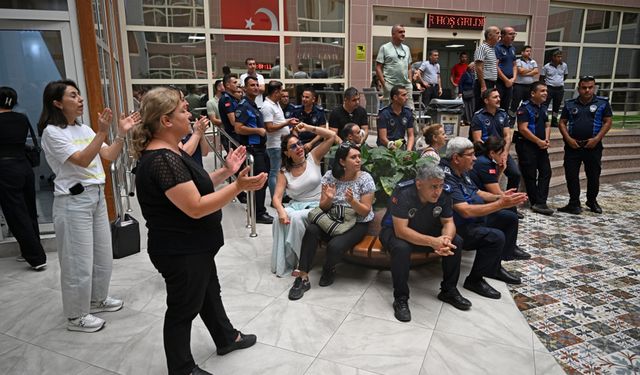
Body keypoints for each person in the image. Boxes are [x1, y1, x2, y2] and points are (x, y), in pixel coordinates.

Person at [132, 87, 265, 375]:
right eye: (183, 110)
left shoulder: (170, 152)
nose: (189, 115)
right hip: (180, 250)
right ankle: (181, 368)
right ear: (166, 121)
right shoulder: (162, 160)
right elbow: (195, 206)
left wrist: (227, 171)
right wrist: (237, 187)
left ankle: (226, 337)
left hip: (193, 247)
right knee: (183, 309)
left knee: (208, 292)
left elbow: (195, 185)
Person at [39, 79, 139, 332]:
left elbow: (108, 155)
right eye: (73, 95)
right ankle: (76, 315)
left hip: (95, 197)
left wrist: (120, 133)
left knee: (102, 255)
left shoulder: (83, 129)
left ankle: (97, 300)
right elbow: (83, 160)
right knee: (77, 261)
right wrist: (102, 132)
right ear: (57, 102)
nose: (80, 99)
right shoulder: (52, 132)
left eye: (79, 94)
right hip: (72, 201)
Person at [380, 164, 471, 322]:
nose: (438, 191)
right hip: (394, 232)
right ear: (419, 184)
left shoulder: (444, 194)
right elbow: (401, 231)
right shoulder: (403, 193)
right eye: (433, 187)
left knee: (456, 241)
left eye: (441, 186)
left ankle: (448, 290)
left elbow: (448, 222)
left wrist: (445, 240)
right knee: (402, 248)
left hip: (425, 229)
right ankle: (401, 299)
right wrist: (432, 242)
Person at [440, 137, 526, 299]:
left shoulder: (462, 171)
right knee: (496, 237)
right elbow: (464, 211)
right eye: (471, 155)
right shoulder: (446, 176)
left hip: (474, 218)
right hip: (458, 226)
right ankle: (474, 280)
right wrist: (500, 204)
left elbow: (477, 192)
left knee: (508, 218)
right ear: (456, 158)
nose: (474, 158)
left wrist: (499, 197)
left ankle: (494, 267)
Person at [288, 143, 375, 300]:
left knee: (335, 246)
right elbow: (323, 206)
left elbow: (366, 211)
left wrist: (353, 201)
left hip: (357, 222)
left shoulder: (365, 178)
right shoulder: (329, 176)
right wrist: (328, 199)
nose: (358, 160)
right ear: (342, 162)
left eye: (359, 157)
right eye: (353, 157)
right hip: (333, 217)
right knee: (312, 230)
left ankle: (329, 269)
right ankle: (302, 277)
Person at [271, 122, 336, 277]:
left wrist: (308, 128)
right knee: (279, 218)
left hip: (318, 205)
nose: (299, 148)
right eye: (293, 147)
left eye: (299, 143)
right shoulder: (284, 171)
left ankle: (303, 262)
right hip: (296, 205)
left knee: (296, 218)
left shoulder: (313, 158)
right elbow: (277, 197)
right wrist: (280, 211)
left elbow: (332, 136)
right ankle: (287, 261)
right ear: (287, 153)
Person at [0, 86, 47, 270]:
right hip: (24, 166)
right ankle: (32, 248)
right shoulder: (21, 118)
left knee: (16, 213)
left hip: (5, 170)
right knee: (29, 210)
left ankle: (36, 257)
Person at [469, 136, 531, 260]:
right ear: (492, 153)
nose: (504, 155)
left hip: (481, 197)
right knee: (510, 211)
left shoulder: (486, 161)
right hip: (477, 203)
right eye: (501, 152)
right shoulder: (485, 164)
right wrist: (506, 197)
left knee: (510, 207)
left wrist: (501, 170)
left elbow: (492, 185)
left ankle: (510, 247)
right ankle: (509, 249)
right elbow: (495, 191)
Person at [557, 76, 612, 214]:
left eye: (590, 87)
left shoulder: (602, 103)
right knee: (571, 175)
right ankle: (574, 203)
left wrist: (597, 139)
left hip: (593, 146)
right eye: (584, 87)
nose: (587, 90)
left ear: (594, 88)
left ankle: (592, 201)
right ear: (579, 88)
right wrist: (568, 139)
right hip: (573, 146)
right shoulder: (570, 104)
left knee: (593, 175)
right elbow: (562, 122)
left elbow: (608, 121)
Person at [234, 76, 273, 224]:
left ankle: (257, 209)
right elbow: (238, 128)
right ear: (245, 88)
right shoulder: (243, 106)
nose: (256, 87)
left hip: (261, 149)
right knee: (259, 181)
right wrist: (258, 131)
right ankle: (258, 214)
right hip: (254, 150)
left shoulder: (253, 105)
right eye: (252, 85)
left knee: (263, 180)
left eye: (257, 85)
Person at [470, 88, 522, 192]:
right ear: (486, 100)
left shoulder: (503, 114)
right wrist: (492, 155)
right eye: (495, 97)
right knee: (489, 177)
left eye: (499, 96)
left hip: (501, 151)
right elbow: (477, 140)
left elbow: (507, 135)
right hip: (485, 153)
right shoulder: (478, 116)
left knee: (515, 174)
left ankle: (510, 203)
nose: (498, 99)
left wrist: (504, 153)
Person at [515, 82, 554, 215]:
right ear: (533, 93)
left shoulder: (543, 107)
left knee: (546, 172)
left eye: (546, 91)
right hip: (528, 146)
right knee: (530, 175)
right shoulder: (525, 108)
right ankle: (536, 202)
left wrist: (546, 140)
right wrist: (538, 141)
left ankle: (541, 201)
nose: (545, 93)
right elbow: (523, 129)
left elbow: (547, 125)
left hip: (541, 146)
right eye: (542, 91)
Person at [261, 80, 298, 199]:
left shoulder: (275, 103)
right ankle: (275, 198)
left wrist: (288, 124)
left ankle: (282, 194)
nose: (282, 94)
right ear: (276, 92)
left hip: (281, 143)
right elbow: (269, 127)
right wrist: (286, 122)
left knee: (281, 171)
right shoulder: (267, 106)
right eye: (281, 91)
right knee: (274, 172)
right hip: (274, 145)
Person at [375, 24, 413, 107]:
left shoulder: (407, 48)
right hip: (390, 84)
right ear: (393, 34)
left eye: (404, 32)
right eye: (400, 32)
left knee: (410, 110)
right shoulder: (385, 48)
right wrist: (385, 84)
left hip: (405, 85)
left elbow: (409, 67)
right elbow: (378, 68)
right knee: (388, 109)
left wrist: (410, 81)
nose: (403, 34)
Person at [376, 85, 415, 151]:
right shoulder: (384, 114)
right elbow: (383, 138)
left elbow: (411, 135)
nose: (406, 98)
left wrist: (408, 151)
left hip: (401, 146)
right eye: (403, 95)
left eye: (406, 95)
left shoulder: (408, 113)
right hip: (386, 148)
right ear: (395, 97)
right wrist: (398, 153)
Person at [473, 26, 500, 111]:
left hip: (491, 82)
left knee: (489, 107)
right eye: (497, 33)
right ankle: (476, 124)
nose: (499, 35)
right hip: (484, 82)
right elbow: (478, 67)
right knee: (481, 107)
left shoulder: (492, 49)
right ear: (489, 35)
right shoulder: (482, 48)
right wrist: (483, 86)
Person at [293, 87, 327, 152]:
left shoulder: (319, 111)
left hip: (315, 141)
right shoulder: (296, 110)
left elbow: (322, 131)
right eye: (303, 97)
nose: (304, 99)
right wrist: (298, 142)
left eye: (307, 97)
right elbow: (294, 129)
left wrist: (311, 143)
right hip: (300, 140)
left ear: (313, 99)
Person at [540, 50, 568, 127]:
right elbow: (542, 78)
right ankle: (543, 120)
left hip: (559, 89)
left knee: (557, 106)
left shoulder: (564, 65)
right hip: (549, 88)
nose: (560, 58)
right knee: (545, 105)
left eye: (561, 57)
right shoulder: (546, 66)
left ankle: (554, 121)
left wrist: (558, 82)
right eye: (558, 57)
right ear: (553, 57)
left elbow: (565, 76)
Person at [511, 45, 539, 118]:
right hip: (519, 86)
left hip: (529, 86)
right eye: (527, 51)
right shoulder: (518, 61)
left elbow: (536, 71)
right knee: (515, 103)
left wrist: (526, 72)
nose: (529, 53)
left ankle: (524, 119)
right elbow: (520, 71)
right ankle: (511, 119)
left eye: (530, 51)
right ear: (522, 52)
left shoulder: (533, 61)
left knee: (528, 104)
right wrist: (531, 70)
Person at [495, 27, 518, 113]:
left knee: (506, 105)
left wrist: (513, 79)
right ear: (503, 36)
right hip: (499, 82)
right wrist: (506, 80)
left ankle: (503, 124)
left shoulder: (512, 49)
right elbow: (495, 66)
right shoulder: (497, 48)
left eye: (514, 34)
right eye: (510, 34)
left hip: (510, 82)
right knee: (497, 104)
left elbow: (515, 65)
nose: (513, 36)